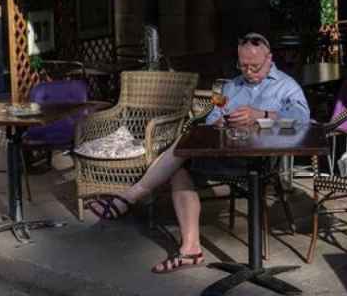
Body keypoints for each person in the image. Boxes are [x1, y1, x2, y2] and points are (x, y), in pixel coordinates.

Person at [84, 32, 309, 274]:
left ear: (269, 59)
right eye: (243, 65)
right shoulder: (230, 86)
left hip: (260, 159)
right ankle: (191, 250)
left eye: (255, 66)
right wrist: (220, 122)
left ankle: (128, 198)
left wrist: (263, 116)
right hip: (225, 152)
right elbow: (211, 116)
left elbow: (302, 120)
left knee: (182, 148)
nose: (249, 72)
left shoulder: (287, 86)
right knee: (181, 165)